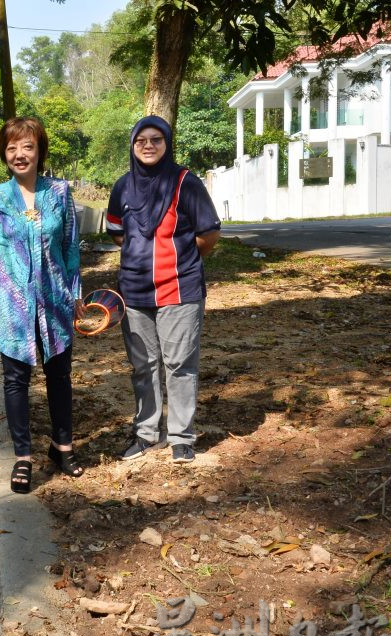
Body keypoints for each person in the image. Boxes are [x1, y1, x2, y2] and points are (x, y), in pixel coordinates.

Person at [0, 116, 83, 494]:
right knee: (15, 379)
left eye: (27, 146)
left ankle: (62, 447)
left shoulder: (60, 193)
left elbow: (70, 246)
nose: (19, 154)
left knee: (59, 375)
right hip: (11, 305)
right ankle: (23, 456)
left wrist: (75, 293)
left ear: (39, 151)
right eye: (11, 148)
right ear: (4, 154)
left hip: (55, 301)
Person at [106, 115, 221, 463]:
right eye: (141, 140)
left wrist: (180, 259)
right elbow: (117, 232)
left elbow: (208, 234)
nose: (148, 146)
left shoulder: (186, 183)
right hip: (134, 292)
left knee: (180, 364)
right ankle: (145, 434)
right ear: (132, 145)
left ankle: (181, 438)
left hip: (180, 290)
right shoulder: (122, 187)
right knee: (143, 365)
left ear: (167, 143)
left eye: (156, 139)